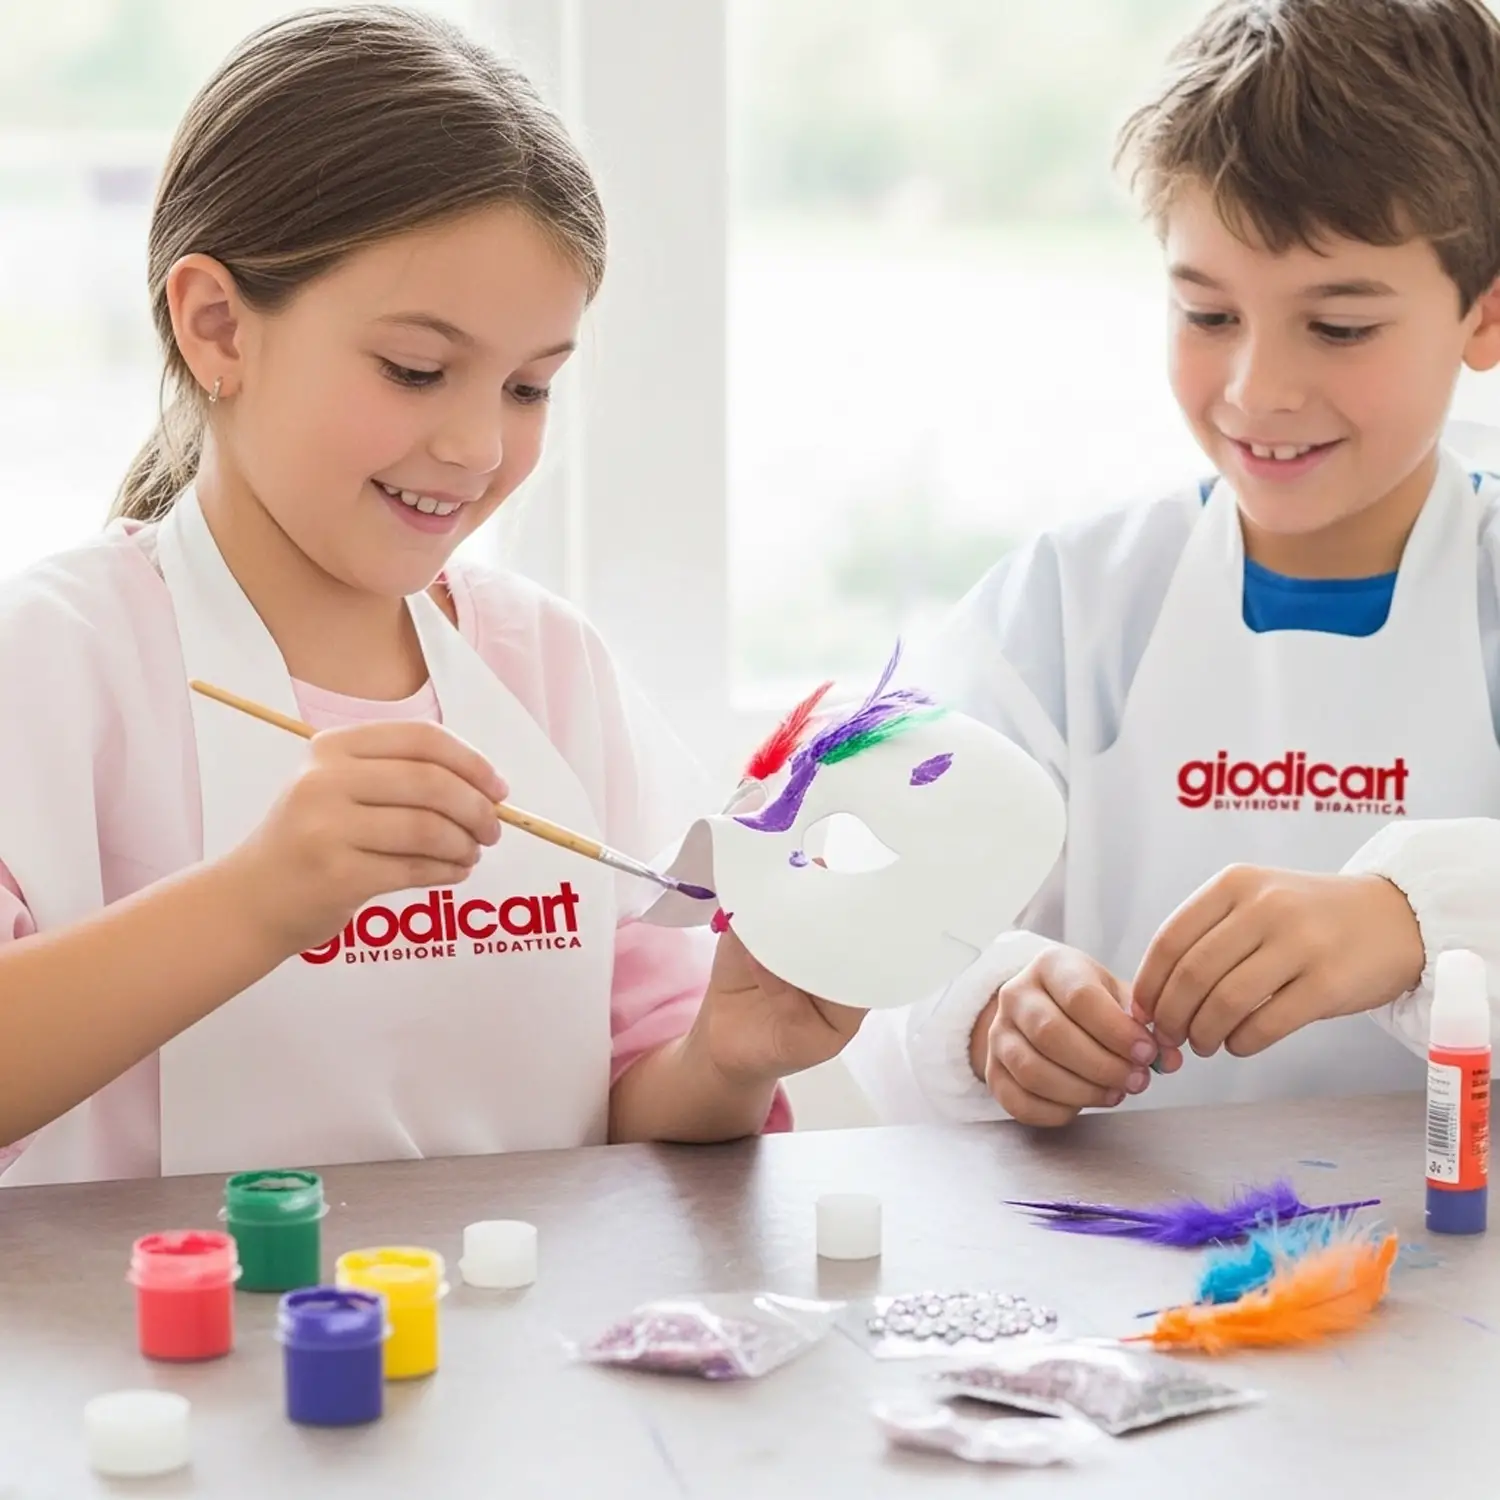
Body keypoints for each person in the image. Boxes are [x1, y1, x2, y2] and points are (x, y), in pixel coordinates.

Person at [0, 5, 862, 1186]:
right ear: (218, 328)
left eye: (529, 387)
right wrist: (257, 901)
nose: (476, 446)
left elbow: (632, 1102)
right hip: (160, 1312)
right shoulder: (55, 663)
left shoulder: (545, 668)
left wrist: (723, 1057)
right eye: (417, 370)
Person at [844, 0, 1500, 1127]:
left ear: (1483, 318)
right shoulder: (1067, 609)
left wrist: (1420, 920)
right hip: (1121, 1231)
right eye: (1207, 313)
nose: (1258, 389)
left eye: (1340, 328)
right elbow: (876, 909)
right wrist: (991, 1012)